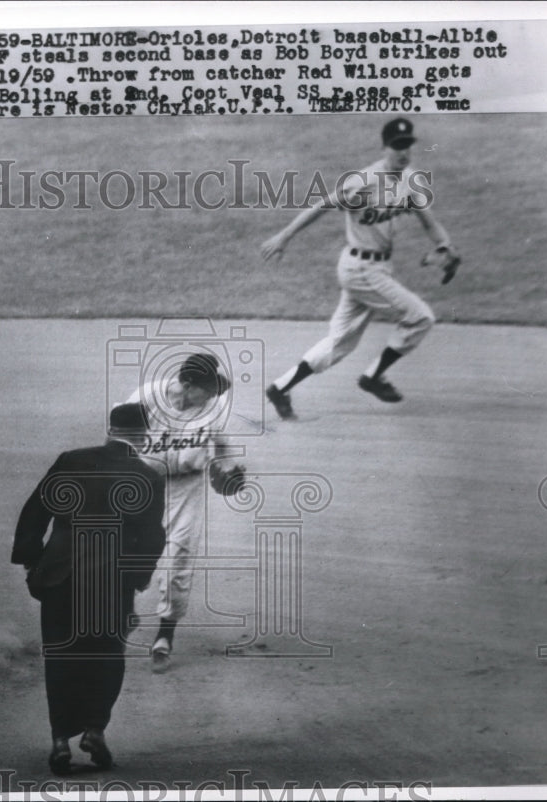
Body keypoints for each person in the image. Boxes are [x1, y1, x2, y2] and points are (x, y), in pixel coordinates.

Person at [261, 117, 457, 418]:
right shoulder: (362, 182)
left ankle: (280, 388)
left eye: (407, 146)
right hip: (361, 269)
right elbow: (323, 205)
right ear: (384, 147)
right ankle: (373, 377)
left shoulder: (411, 180)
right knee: (420, 317)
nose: (403, 153)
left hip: (374, 269)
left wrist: (444, 247)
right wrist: (285, 235)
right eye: (397, 146)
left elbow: (430, 224)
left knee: (339, 343)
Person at [12, 402, 166, 775]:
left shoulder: (70, 460)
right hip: (111, 578)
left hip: (61, 573)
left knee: (61, 656)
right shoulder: (147, 475)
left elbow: (35, 511)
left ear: (108, 428)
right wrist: (139, 580)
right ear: (144, 437)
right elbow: (151, 538)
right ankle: (95, 729)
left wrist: (33, 560)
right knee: (107, 656)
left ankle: (60, 741)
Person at [126, 352, 240, 674]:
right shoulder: (146, 398)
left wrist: (228, 468)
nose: (216, 394)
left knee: (179, 557)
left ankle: (165, 636)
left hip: (186, 488)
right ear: (188, 385)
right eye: (210, 388)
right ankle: (125, 610)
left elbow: (223, 444)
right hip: (143, 484)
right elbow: (118, 438)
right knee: (131, 552)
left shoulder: (214, 407)